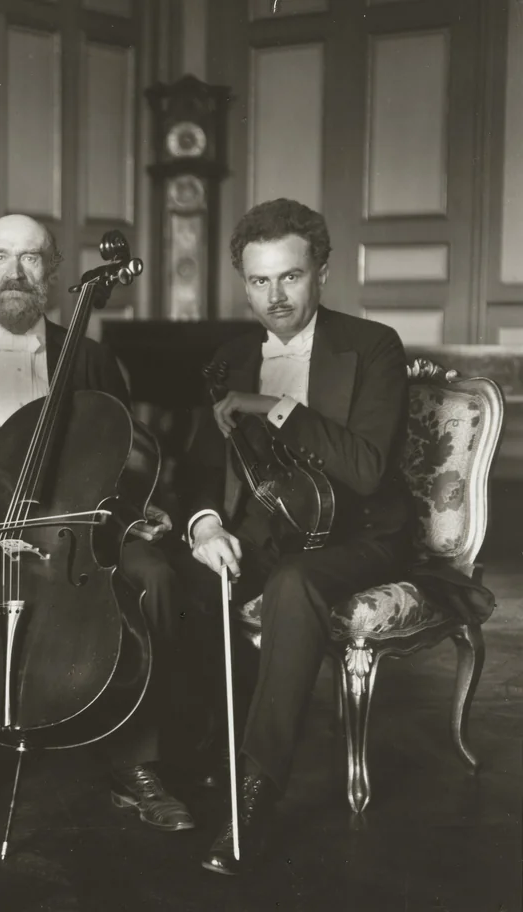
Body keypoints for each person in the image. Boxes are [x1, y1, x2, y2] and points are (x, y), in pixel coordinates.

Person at [0, 214, 203, 833]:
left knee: (155, 577)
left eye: (30, 258)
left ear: (53, 273)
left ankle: (135, 760)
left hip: (74, 531)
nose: (15, 272)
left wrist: (139, 510)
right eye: (0, 257)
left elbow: (124, 455)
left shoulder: (90, 358)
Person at [182, 198, 415, 875]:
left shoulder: (373, 346)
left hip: (360, 535)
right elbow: (200, 470)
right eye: (259, 281)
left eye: (290, 276)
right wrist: (205, 524)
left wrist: (275, 405)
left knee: (293, 585)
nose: (275, 296)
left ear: (322, 274)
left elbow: (366, 470)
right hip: (267, 532)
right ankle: (200, 753)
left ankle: (254, 795)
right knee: (176, 579)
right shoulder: (231, 356)